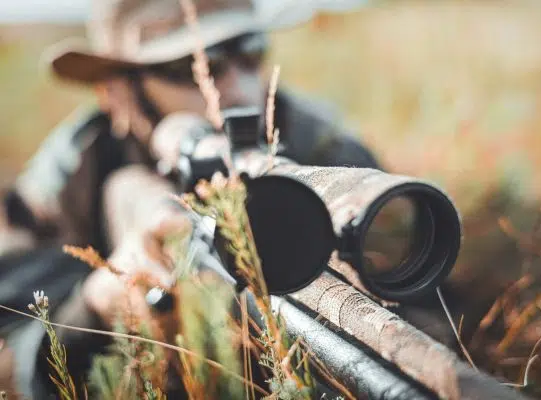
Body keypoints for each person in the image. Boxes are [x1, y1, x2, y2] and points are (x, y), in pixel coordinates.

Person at [0, 0, 383, 398]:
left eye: (250, 52)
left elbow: (423, 304)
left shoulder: (324, 150)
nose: (238, 89)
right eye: (191, 68)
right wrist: (93, 308)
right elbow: (8, 350)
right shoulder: (69, 174)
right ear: (116, 92)